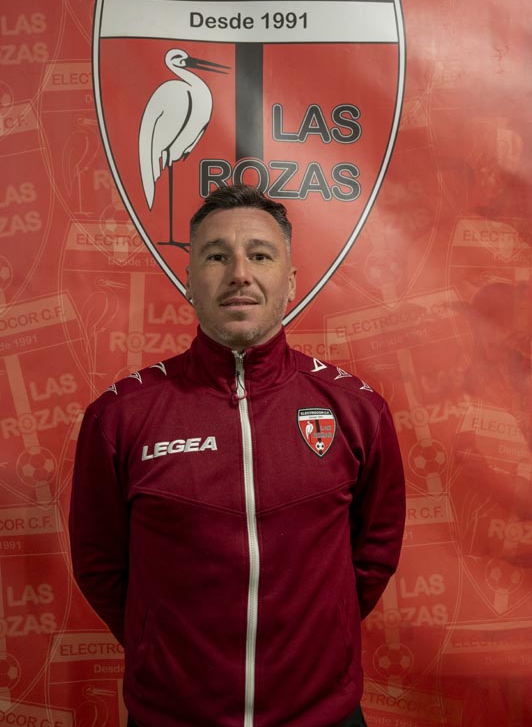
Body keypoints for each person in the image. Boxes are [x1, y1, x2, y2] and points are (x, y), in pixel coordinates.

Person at [69, 184, 405, 727]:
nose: (240, 274)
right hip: (170, 716)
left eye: (261, 255)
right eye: (217, 256)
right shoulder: (119, 416)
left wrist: (319, 640)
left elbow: (373, 555)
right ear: (188, 280)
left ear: (290, 282)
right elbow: (100, 565)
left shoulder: (356, 409)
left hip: (322, 715)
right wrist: (162, 646)